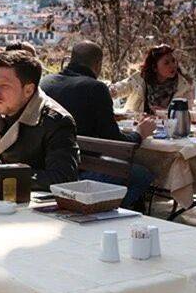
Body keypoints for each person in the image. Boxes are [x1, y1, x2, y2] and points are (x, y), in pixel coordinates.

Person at [41, 41, 155, 208]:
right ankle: (106, 209)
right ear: (97, 64)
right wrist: (139, 133)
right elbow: (114, 142)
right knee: (143, 174)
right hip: (82, 170)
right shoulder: (96, 88)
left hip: (50, 166)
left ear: (71, 59)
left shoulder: (46, 82)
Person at [0, 48, 79, 189]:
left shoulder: (56, 122)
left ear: (28, 90)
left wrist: (3, 173)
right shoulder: (5, 112)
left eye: (4, 86)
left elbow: (63, 178)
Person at [110, 44, 193, 114]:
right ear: (155, 68)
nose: (173, 65)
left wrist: (165, 113)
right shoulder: (140, 79)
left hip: (168, 127)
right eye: (166, 63)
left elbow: (187, 114)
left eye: (173, 61)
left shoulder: (183, 86)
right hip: (136, 125)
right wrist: (112, 91)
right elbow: (123, 86)